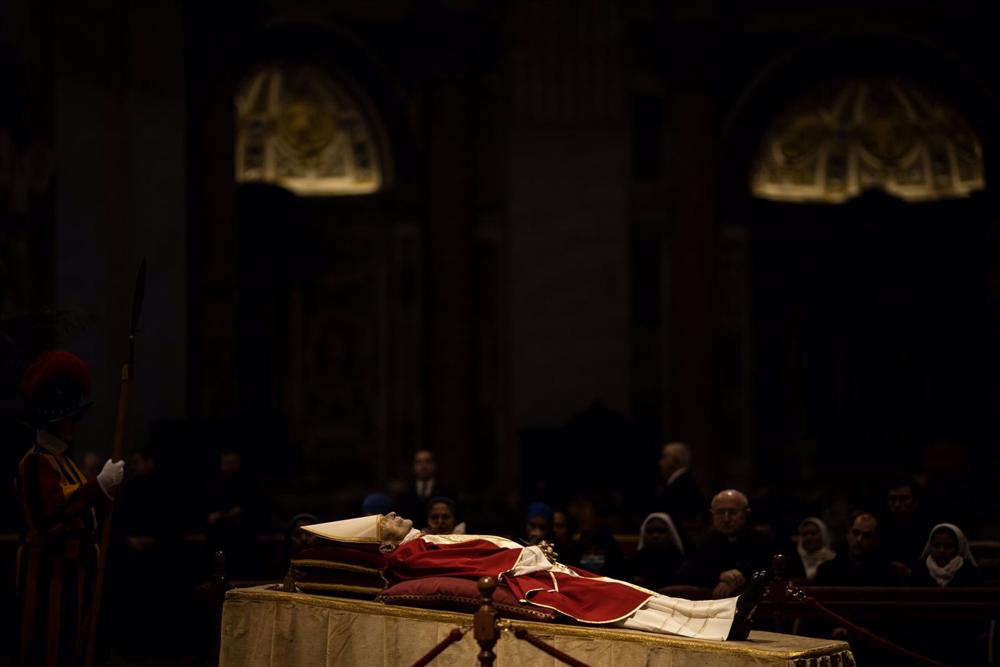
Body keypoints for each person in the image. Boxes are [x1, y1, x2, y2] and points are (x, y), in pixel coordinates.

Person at [304, 513, 767, 641]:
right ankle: (720, 623)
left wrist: (527, 554)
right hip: (528, 581)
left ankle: (723, 614)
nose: (397, 515)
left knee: (627, 590)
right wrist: (524, 560)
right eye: (388, 520)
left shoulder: (420, 540)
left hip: (533, 568)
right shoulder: (411, 556)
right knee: (616, 605)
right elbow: (466, 566)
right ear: (385, 543)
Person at [14, 350, 125, 666]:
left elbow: (82, 513)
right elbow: (48, 515)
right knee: (50, 651)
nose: (74, 425)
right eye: (69, 418)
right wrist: (97, 487)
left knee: (71, 649)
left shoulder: (64, 463)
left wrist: (104, 494)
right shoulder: (35, 463)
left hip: (71, 577)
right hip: (50, 578)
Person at [679, 489, 775, 598]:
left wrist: (743, 577)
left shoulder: (763, 540)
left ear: (746, 513)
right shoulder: (702, 542)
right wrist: (719, 577)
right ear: (712, 514)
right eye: (720, 513)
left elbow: (773, 570)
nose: (726, 519)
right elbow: (686, 572)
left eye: (733, 512)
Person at [814, 512, 901, 586]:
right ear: (848, 534)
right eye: (855, 533)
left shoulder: (887, 573)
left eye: (867, 536)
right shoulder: (827, 571)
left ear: (875, 540)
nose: (859, 539)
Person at [649, 442, 706, 548]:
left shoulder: (683, 484)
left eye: (664, 457)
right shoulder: (680, 482)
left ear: (675, 460)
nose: (660, 463)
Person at [395, 450, 455, 527]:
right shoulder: (404, 493)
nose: (424, 465)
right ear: (413, 466)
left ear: (434, 465)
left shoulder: (447, 492)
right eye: (419, 462)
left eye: (428, 461)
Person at [913, 523, 982, 587]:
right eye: (936, 545)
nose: (941, 550)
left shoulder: (969, 572)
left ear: (958, 548)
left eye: (948, 546)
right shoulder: (919, 570)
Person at [629, 512, 684, 590]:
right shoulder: (635, 560)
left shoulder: (681, 562)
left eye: (660, 531)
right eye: (649, 531)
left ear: (670, 534)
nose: (654, 536)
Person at [787, 517, 836, 582]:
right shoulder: (792, 560)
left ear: (823, 535)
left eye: (813, 533)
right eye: (805, 534)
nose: (809, 537)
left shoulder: (832, 558)